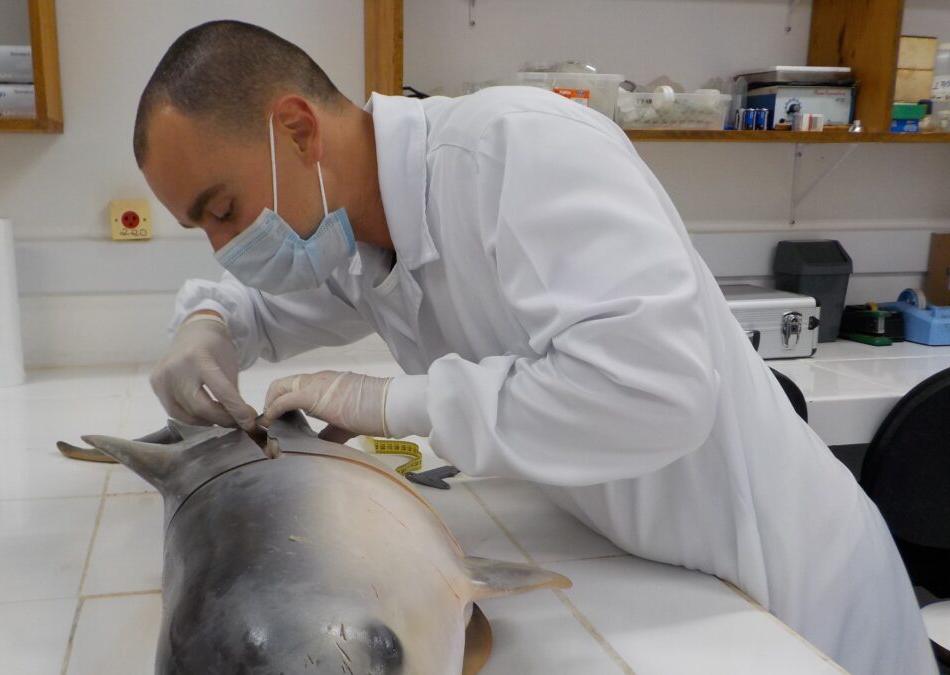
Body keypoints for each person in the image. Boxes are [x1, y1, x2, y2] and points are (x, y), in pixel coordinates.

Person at [133, 20, 936, 675]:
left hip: (799, 594)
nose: (224, 245)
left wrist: (391, 402)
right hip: (675, 573)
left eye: (225, 209)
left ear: (297, 130)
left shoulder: (517, 153)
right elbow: (260, 306)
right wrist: (206, 325)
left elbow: (657, 390)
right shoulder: (358, 240)